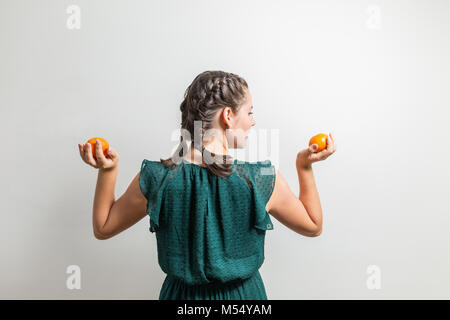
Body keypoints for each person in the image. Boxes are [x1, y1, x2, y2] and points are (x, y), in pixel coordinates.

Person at [77, 70, 337, 299]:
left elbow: (103, 228)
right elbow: (313, 226)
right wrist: (304, 167)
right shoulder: (261, 178)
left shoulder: (158, 178)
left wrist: (107, 171)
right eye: (250, 112)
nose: (253, 121)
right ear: (227, 115)